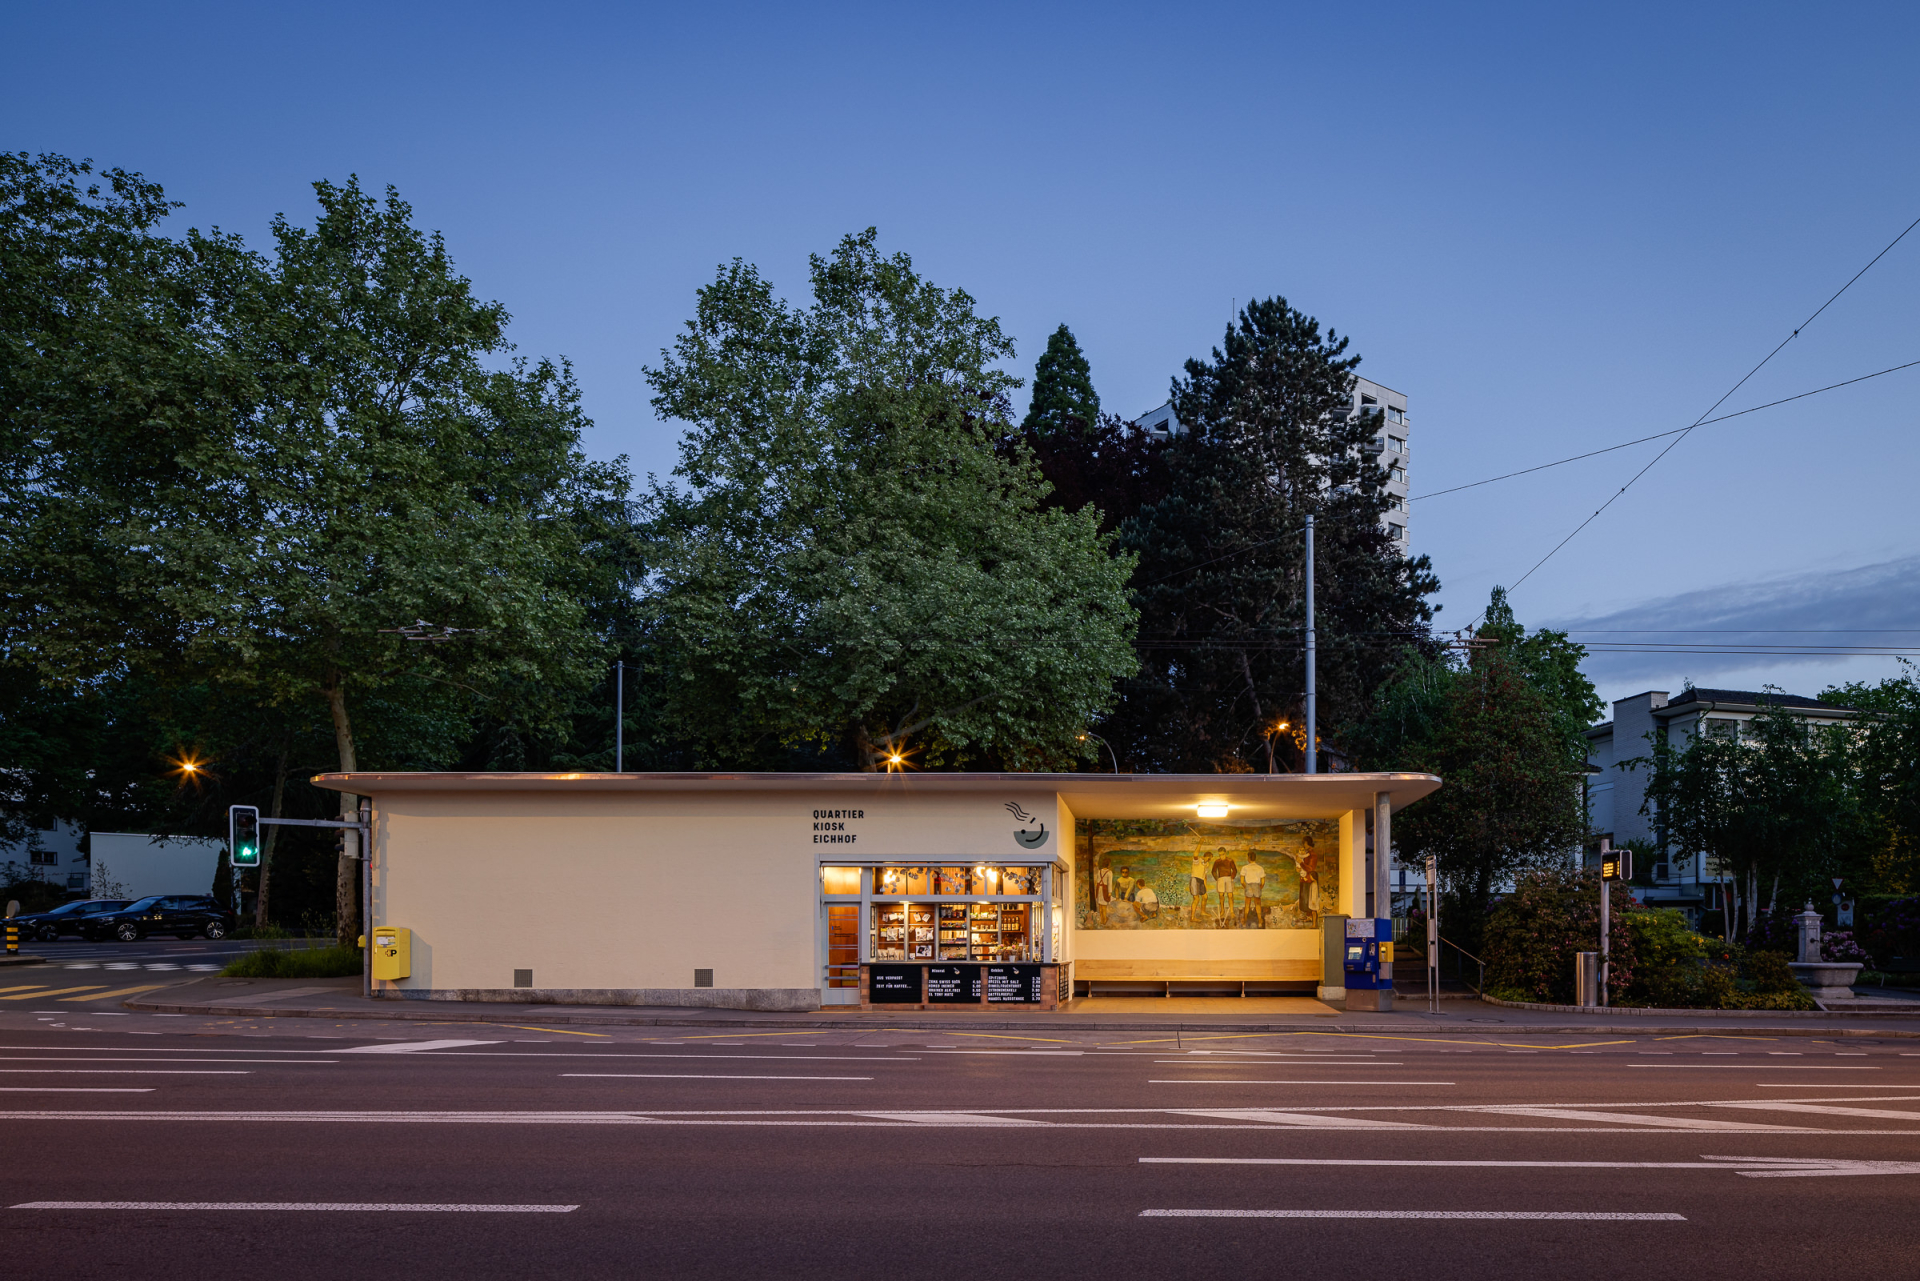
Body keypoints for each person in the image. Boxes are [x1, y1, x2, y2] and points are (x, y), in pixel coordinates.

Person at [1210, 849, 1239, 927]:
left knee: (1230, 895)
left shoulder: (1230, 860)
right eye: (1220, 854)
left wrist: (1232, 878)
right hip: (1221, 879)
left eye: (1222, 854)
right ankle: (1222, 910)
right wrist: (1217, 879)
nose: (1221, 856)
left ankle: (1232, 911)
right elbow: (1213, 871)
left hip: (1229, 878)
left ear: (1225, 853)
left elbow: (1235, 870)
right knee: (1221, 896)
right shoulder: (1217, 861)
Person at [1239, 851, 1267, 928]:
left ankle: (1244, 920)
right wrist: (1259, 888)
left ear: (1248, 858)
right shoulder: (1260, 868)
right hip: (1257, 885)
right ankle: (1260, 920)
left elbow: (1242, 881)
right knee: (1258, 904)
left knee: (1247, 904)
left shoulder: (1245, 868)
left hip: (1248, 885)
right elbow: (1263, 882)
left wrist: (1246, 887)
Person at [1189, 849, 1211, 925]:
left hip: (1201, 881)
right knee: (1196, 899)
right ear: (1205, 856)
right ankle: (1192, 917)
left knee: (1205, 896)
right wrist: (1200, 843)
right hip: (1195, 879)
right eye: (1208, 858)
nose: (1209, 860)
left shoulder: (1207, 864)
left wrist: (1205, 885)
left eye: (1210, 859)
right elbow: (1195, 854)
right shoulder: (1198, 860)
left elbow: (1205, 876)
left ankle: (1203, 911)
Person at [1093, 861, 1113, 925]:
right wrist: (1110, 892)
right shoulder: (1109, 872)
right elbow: (1109, 883)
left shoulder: (1099, 871)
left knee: (1100, 905)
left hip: (1099, 889)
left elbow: (1097, 881)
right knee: (1104, 906)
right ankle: (1104, 921)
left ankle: (1102, 920)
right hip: (1105, 889)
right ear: (1108, 865)